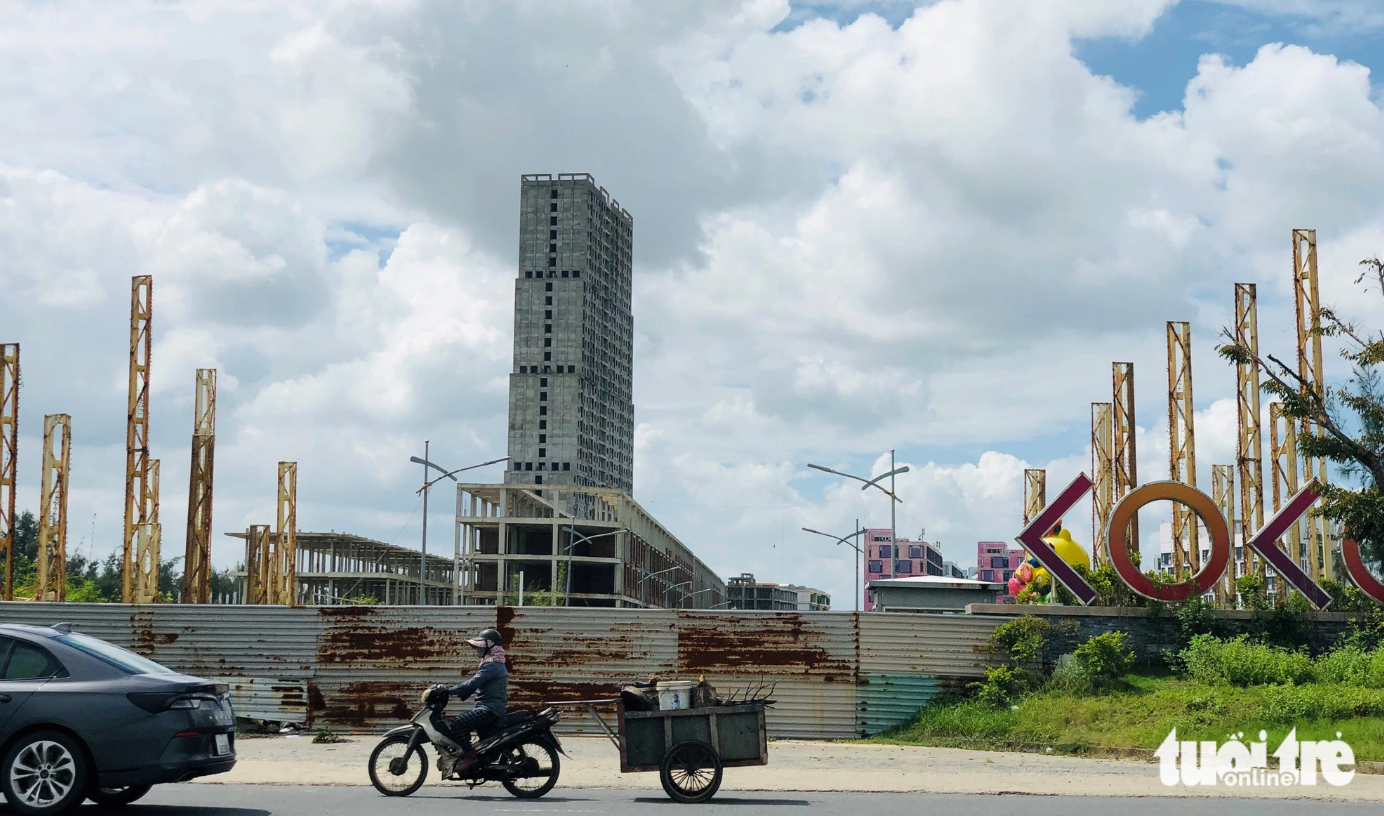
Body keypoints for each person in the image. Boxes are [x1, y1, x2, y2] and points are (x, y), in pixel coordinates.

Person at [445, 628, 508, 772]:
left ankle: (470, 757)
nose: (478, 650)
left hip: (490, 710)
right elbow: (474, 686)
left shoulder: (493, 665)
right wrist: (458, 692)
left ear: (489, 647)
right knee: (463, 722)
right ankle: (465, 753)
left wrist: (448, 690)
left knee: (457, 724)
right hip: (487, 708)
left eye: (481, 647)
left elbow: (473, 683)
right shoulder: (492, 663)